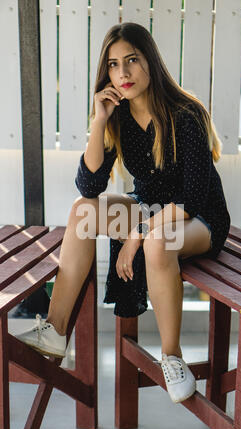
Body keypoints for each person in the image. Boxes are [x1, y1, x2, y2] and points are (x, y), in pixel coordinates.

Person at [16, 22, 230, 404]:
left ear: (151, 61)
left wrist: (139, 233)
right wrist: (99, 121)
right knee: (83, 212)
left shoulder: (186, 114)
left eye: (131, 60)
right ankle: (55, 330)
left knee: (156, 243)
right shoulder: (120, 116)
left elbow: (193, 200)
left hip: (198, 219)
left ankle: (172, 356)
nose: (124, 73)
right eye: (114, 65)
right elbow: (89, 187)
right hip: (150, 210)